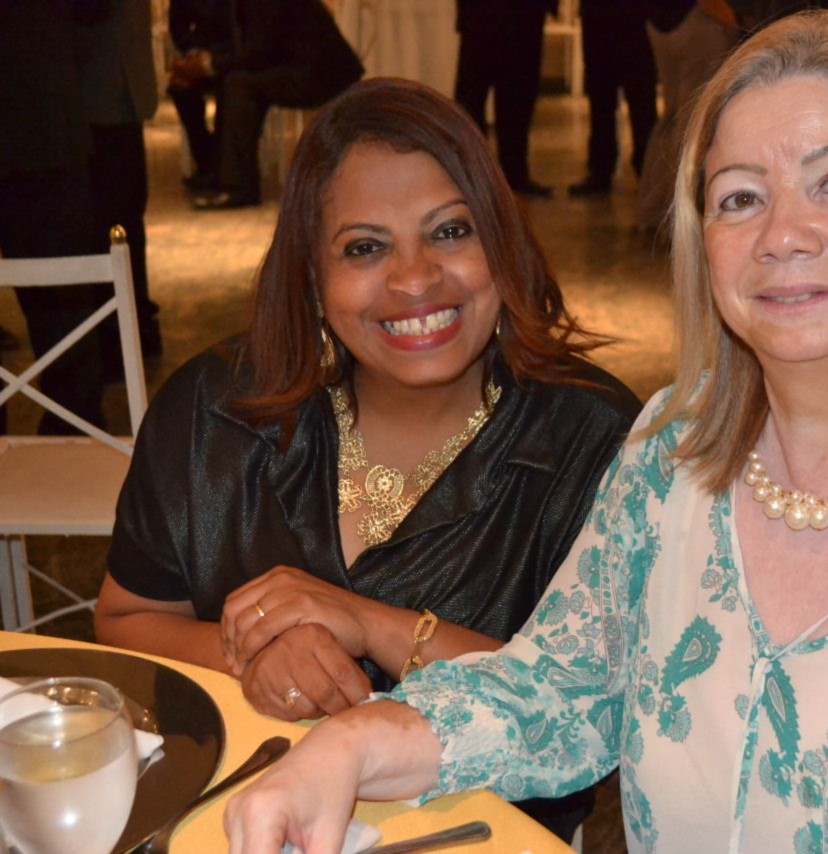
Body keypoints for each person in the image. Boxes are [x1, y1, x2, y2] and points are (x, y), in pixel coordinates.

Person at [225, 13, 828, 853]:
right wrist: (349, 747)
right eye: (739, 197)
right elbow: (561, 689)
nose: (782, 234)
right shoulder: (672, 457)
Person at [95, 77, 640, 842]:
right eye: (365, 247)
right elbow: (125, 617)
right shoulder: (214, 411)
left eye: (451, 231)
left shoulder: (598, 441)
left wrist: (374, 626)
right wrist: (257, 652)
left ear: (502, 243)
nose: (415, 279)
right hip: (237, 825)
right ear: (312, 277)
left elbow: (598, 703)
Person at [0, 0, 107, 435]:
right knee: (65, 306)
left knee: (65, 305)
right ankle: (73, 433)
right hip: (44, 124)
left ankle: (73, 435)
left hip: (43, 127)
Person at [173, 0, 364, 210]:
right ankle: (217, 171)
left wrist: (209, 65)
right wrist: (202, 64)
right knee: (230, 82)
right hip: (291, 64)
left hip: (321, 72)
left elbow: (259, 52)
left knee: (239, 86)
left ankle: (239, 186)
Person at [75, 0, 164, 360]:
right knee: (115, 219)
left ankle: (126, 329)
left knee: (117, 219)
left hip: (106, 90)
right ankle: (127, 327)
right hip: (99, 92)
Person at [636, 0, 738, 232]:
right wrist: (730, 19)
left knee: (673, 118)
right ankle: (679, 215)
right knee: (693, 121)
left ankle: (653, 210)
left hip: (662, 21)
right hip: (697, 19)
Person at [454, 0, 558, 197]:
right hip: (484, 18)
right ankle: (476, 173)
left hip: (521, 18)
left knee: (517, 100)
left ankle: (512, 172)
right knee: (473, 100)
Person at [569, 0, 658, 197]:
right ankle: (602, 169)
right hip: (601, 17)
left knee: (640, 100)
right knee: (602, 97)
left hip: (633, 18)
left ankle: (644, 169)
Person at [166, 0, 233, 193]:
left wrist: (215, 59)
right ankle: (207, 160)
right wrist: (194, 53)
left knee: (231, 89)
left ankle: (221, 164)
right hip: (201, 51)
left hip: (235, 56)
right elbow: (178, 25)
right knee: (180, 90)